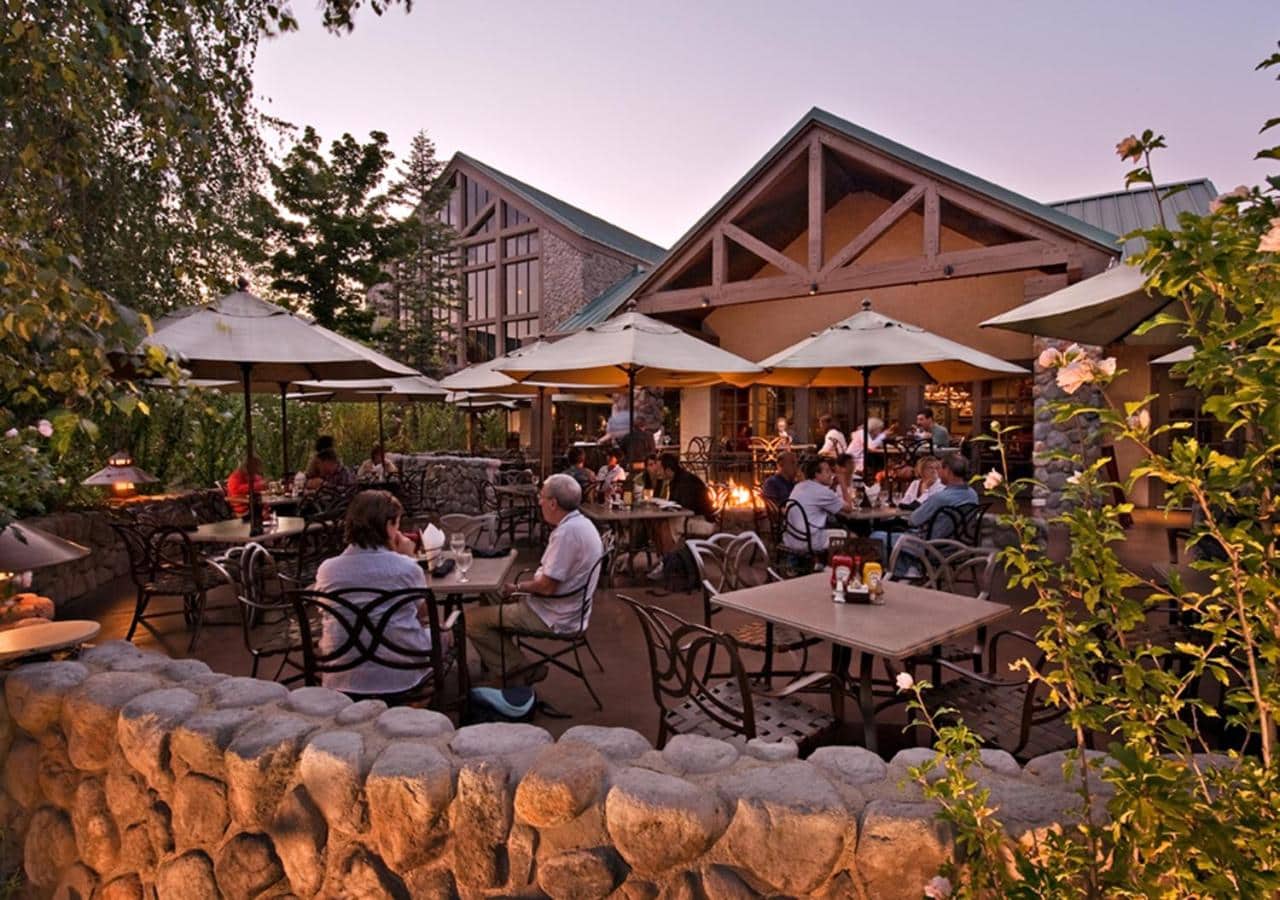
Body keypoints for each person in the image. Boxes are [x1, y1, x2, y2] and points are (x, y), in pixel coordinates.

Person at [467, 473, 604, 682]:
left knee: (471, 620)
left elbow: (547, 587)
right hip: (566, 607)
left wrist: (518, 587)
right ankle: (502, 656)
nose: (539, 502)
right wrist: (518, 589)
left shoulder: (567, 534)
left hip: (553, 615)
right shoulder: (582, 524)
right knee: (490, 591)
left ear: (553, 503)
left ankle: (519, 669)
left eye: (542, 497)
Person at [313, 490, 434, 697]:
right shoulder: (406, 568)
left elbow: (322, 608)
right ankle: (424, 699)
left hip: (340, 674)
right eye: (397, 524)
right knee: (445, 631)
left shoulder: (327, 569)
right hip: (400, 675)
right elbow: (423, 614)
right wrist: (407, 557)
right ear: (388, 526)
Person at [873, 454, 978, 571]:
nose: (937, 473)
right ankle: (909, 571)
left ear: (947, 470)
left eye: (940, 469)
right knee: (900, 537)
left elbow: (913, 520)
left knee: (877, 537)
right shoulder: (972, 494)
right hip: (959, 547)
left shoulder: (941, 498)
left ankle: (904, 573)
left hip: (931, 546)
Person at [783, 457, 853, 557]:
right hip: (809, 541)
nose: (831, 475)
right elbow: (849, 508)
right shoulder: (822, 492)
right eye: (827, 471)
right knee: (850, 536)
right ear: (817, 474)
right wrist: (843, 483)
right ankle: (837, 568)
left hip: (791, 538)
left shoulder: (799, 486)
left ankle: (822, 563)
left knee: (832, 527)